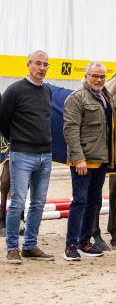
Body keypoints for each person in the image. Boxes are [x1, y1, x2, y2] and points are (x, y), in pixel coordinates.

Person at [62, 62, 116, 261]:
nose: (99, 79)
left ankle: (85, 242)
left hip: (101, 160)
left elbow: (108, 126)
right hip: (83, 161)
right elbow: (71, 130)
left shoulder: (106, 97)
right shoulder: (76, 98)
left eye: (102, 76)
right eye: (95, 76)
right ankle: (70, 246)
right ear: (86, 76)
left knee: (94, 202)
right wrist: (79, 158)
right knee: (80, 201)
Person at [0, 50, 54, 263]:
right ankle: (12, 247)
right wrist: (17, 140)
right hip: (22, 154)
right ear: (29, 64)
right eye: (38, 64)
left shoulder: (47, 91)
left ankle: (30, 245)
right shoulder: (14, 91)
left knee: (38, 203)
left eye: (45, 64)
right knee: (18, 202)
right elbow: (3, 121)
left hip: (45, 156)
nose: (42, 68)